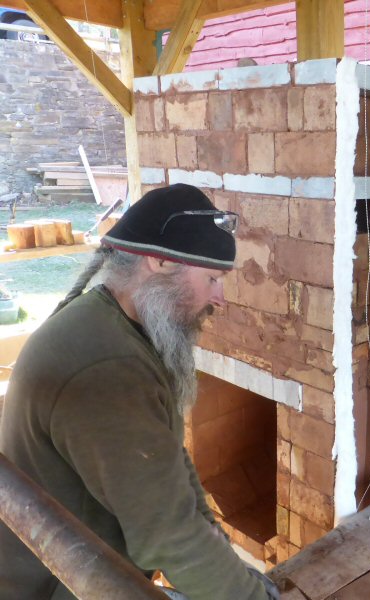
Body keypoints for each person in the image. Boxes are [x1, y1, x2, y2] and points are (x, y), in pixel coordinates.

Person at [0, 184, 278, 600]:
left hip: (85, 570)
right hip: (51, 587)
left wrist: (235, 569)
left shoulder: (123, 329)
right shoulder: (108, 368)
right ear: (161, 262)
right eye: (212, 279)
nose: (220, 299)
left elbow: (174, 474)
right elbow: (170, 536)